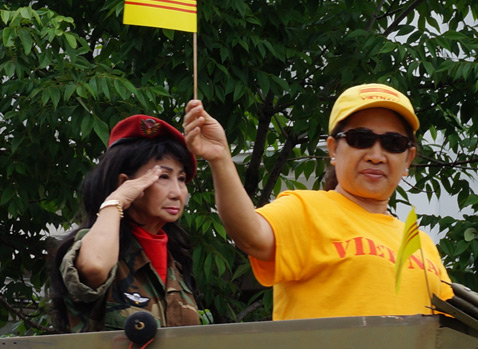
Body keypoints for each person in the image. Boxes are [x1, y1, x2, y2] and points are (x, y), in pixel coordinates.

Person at [183, 83, 454, 320]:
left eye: (393, 143)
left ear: (407, 159)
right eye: (362, 139)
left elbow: (453, 329)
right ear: (334, 149)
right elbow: (251, 234)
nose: (376, 155)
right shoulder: (305, 209)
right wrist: (220, 159)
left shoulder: (421, 244)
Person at [49, 114, 200, 332]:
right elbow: (94, 267)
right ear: (126, 184)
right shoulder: (94, 248)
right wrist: (115, 200)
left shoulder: (176, 263)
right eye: (163, 177)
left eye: (181, 179)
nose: (177, 193)